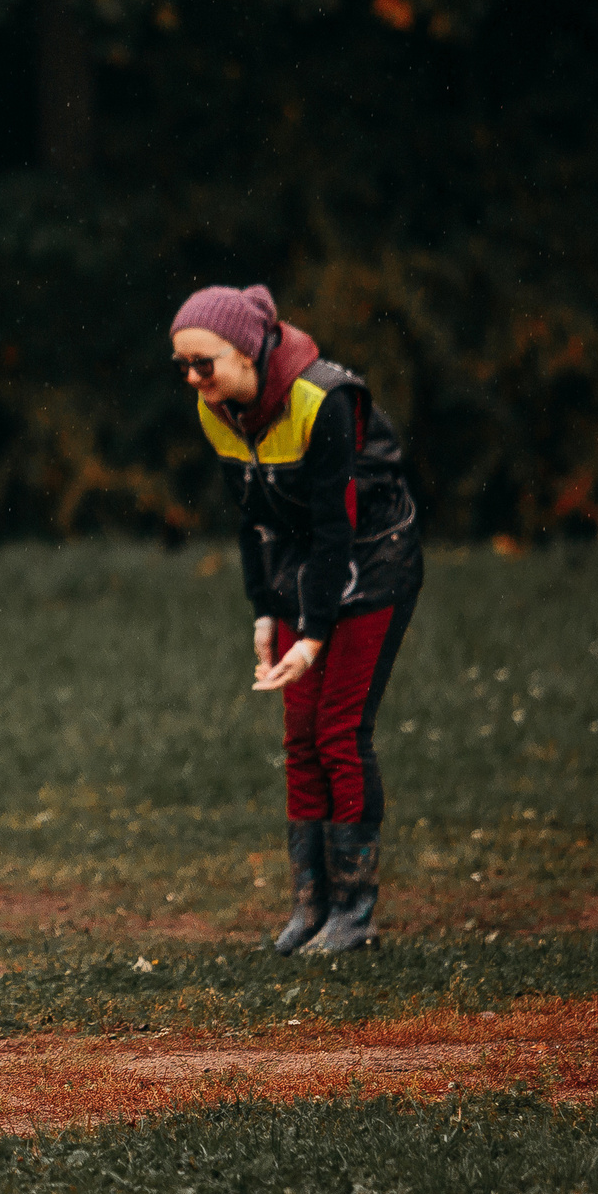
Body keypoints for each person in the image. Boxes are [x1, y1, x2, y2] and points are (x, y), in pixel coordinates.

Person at [170, 284, 424, 955]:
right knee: (300, 737)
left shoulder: (324, 400)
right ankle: (310, 907)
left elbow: (336, 526)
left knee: (339, 731)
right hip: (299, 566)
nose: (194, 379)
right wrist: (264, 611)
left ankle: (354, 914)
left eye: (204, 363)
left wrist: (312, 635)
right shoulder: (217, 410)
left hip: (372, 563)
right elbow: (251, 518)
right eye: (183, 366)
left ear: (247, 351)